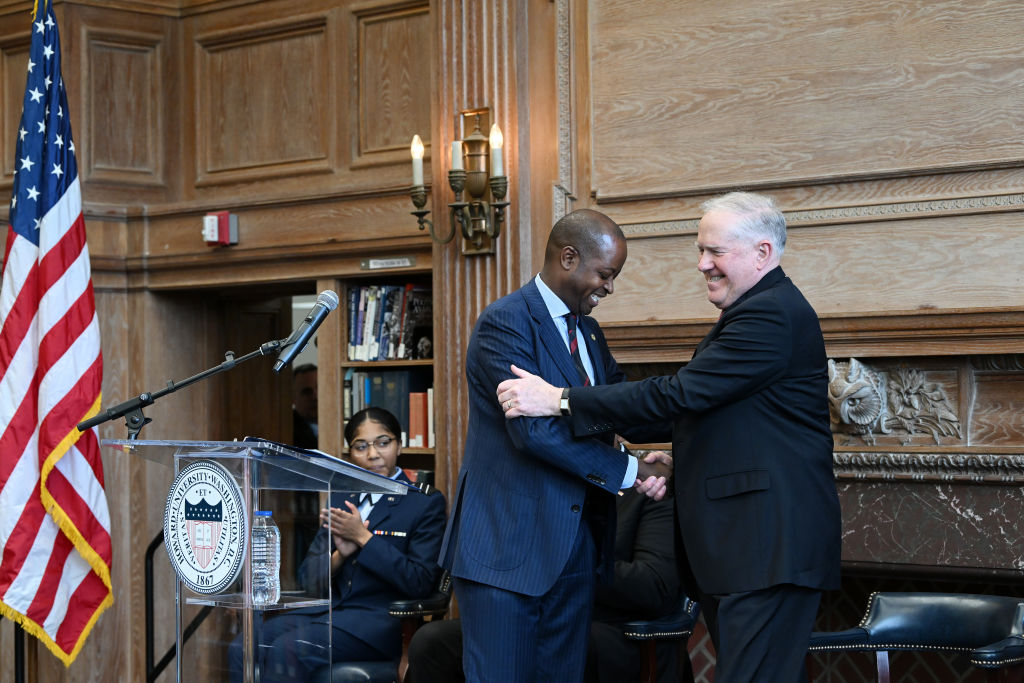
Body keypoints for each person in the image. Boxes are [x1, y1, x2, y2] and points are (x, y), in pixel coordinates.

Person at [497, 192, 842, 683]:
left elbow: (679, 395)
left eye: (715, 252)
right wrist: (684, 465)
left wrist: (560, 400)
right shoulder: (755, 312)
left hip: (767, 551)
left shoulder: (772, 315)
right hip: (749, 555)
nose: (702, 264)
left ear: (762, 253)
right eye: (701, 250)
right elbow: (713, 414)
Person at [437, 209, 671, 683]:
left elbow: (613, 406)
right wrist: (632, 473)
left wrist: (686, 432)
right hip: (506, 553)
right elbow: (534, 434)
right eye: (605, 274)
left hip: (575, 552)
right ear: (569, 257)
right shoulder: (505, 323)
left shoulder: (588, 331)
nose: (609, 287)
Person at [228, 406, 447, 682]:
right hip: (328, 614)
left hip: (380, 622)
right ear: (350, 454)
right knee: (242, 647)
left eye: (383, 442)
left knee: (287, 650)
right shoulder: (342, 498)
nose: (373, 454)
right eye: (361, 446)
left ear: (399, 445)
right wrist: (339, 557)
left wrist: (363, 539)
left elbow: (420, 582)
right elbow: (308, 578)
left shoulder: (423, 503)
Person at [408, 486, 694, 683]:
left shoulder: (648, 490)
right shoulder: (541, 485)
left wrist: (572, 561)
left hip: (614, 628)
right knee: (432, 641)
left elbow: (655, 586)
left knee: (555, 644)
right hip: (529, 612)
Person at [292, 363, 318, 449]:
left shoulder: (339, 421)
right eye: (307, 392)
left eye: (320, 388)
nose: (316, 397)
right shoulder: (287, 428)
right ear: (293, 398)